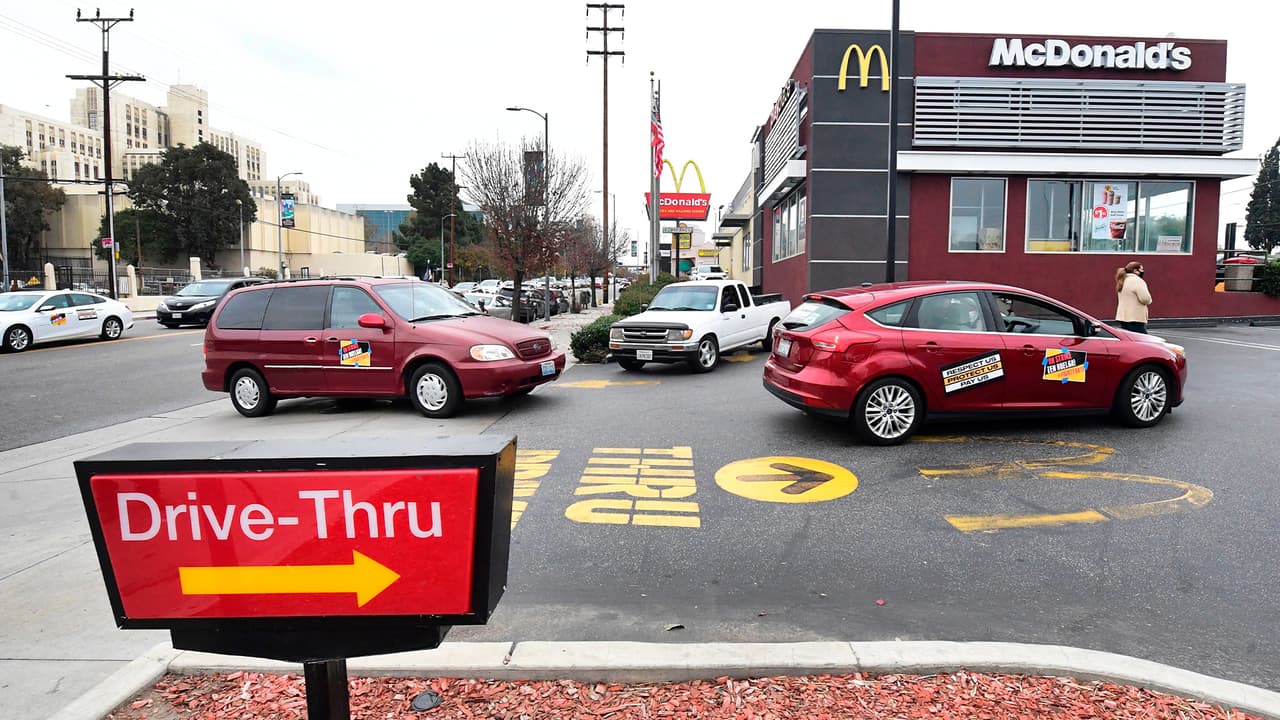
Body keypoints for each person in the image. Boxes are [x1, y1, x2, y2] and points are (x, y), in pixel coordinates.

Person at [1114, 261, 1152, 333]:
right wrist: (1149, 300)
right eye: (1141, 269)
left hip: (1123, 317)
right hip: (1135, 317)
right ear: (1135, 270)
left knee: (1127, 337)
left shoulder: (1123, 280)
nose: (1143, 271)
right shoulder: (1137, 281)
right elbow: (1145, 299)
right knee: (1142, 338)